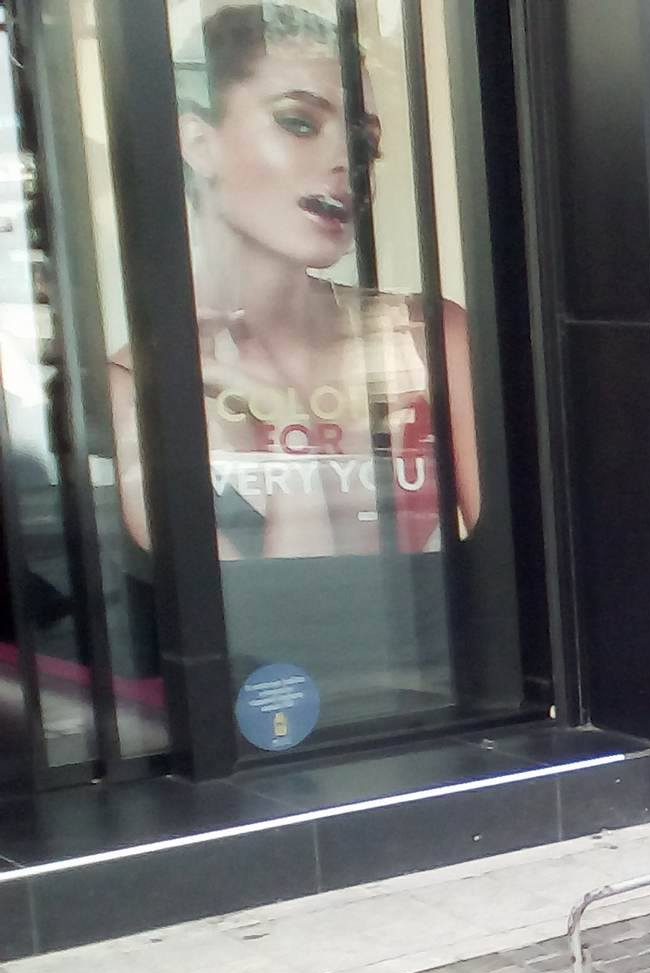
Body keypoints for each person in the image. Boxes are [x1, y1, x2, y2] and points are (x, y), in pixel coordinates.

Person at [112, 2, 480, 559]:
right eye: (298, 123)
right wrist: (289, 432)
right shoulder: (141, 383)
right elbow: (267, 604)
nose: (346, 160)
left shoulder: (428, 339)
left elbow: (523, 563)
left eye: (364, 144)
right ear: (199, 143)